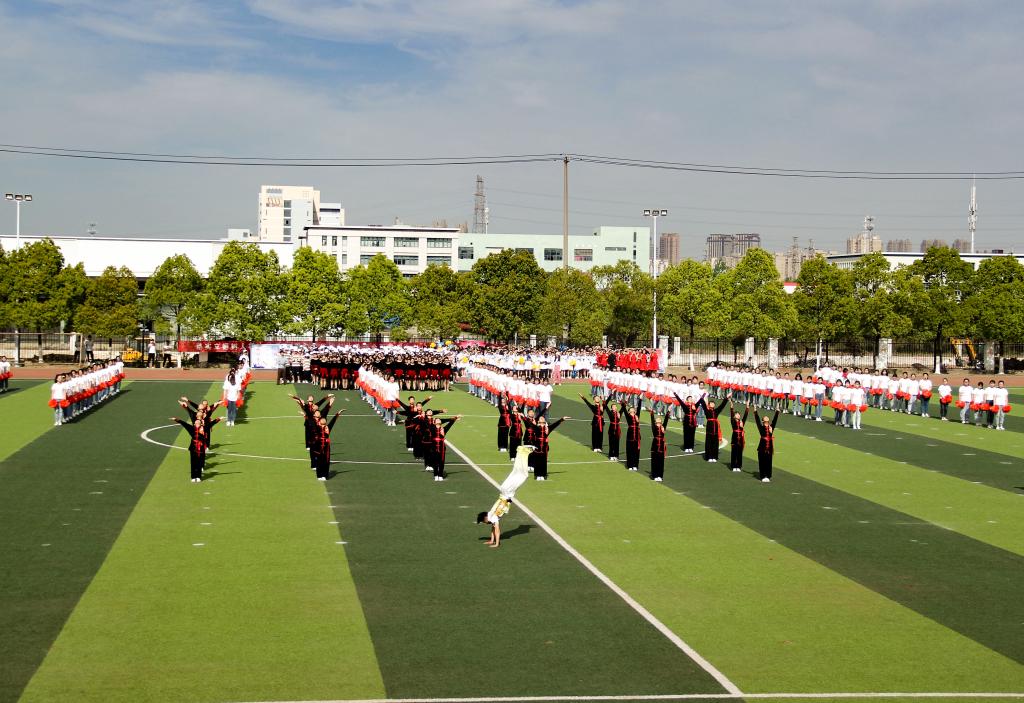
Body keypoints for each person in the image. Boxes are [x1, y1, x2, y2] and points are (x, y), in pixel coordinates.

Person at [172, 416, 217, 483]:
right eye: (196, 423)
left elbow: (211, 424)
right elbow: (185, 424)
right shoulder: (192, 429)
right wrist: (176, 420)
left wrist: (218, 419)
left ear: (201, 424)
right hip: (193, 447)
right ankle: (193, 477)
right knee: (193, 463)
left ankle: (198, 477)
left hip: (201, 447)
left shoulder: (204, 428)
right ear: (194, 424)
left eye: (198, 423)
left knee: (199, 463)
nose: (197, 424)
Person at [530, 415, 569, 481]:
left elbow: (555, 425)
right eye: (540, 419)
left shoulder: (547, 428)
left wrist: (562, 419)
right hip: (537, 447)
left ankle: (543, 475)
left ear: (545, 421)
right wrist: (522, 416)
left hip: (544, 447)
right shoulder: (536, 427)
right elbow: (528, 422)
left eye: (543, 419)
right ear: (538, 422)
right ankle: (537, 475)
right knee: (537, 461)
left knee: (543, 462)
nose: (542, 419)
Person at [313, 410, 344, 481]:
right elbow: (313, 420)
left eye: (324, 420)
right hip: (318, 446)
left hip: (326, 447)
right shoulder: (317, 427)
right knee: (319, 461)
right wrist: (316, 415)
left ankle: (324, 475)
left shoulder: (328, 428)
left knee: (326, 461)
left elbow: (333, 422)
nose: (324, 420)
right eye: (322, 419)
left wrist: (337, 414)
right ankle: (319, 475)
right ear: (319, 421)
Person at [429, 415, 461, 481]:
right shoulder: (432, 428)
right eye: (437, 420)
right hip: (433, 447)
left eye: (439, 420)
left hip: (442, 447)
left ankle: (440, 475)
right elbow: (428, 424)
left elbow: (450, 424)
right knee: (435, 462)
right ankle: (436, 475)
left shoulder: (444, 429)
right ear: (434, 422)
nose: (438, 420)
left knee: (441, 462)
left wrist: (455, 418)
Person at [698, 395, 729, 463]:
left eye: (713, 403)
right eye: (711, 403)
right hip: (709, 428)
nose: (712, 404)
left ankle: (714, 457)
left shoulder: (716, 411)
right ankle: (709, 457)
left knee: (715, 444)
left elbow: (722, 405)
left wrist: (726, 397)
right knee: (709, 443)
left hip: (715, 428)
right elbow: (703, 404)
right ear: (709, 405)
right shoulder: (707, 410)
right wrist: (702, 397)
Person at [753, 408, 780, 483]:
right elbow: (757, 420)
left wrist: (777, 411)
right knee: (762, 462)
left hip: (769, 448)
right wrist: (755, 411)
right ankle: (763, 476)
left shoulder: (771, 427)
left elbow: (775, 420)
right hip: (762, 447)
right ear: (763, 421)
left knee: (769, 462)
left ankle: (768, 476)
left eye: (767, 417)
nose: (766, 417)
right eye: (764, 417)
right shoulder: (761, 428)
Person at [649, 410, 670, 482]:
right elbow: (652, 421)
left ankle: (660, 476)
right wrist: (652, 414)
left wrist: (668, 412)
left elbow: (666, 421)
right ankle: (654, 475)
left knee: (661, 462)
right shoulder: (654, 427)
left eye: (659, 420)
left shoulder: (663, 427)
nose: (658, 420)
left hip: (661, 446)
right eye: (657, 420)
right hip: (655, 446)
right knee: (654, 461)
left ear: (661, 422)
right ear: (655, 422)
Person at [728, 403, 749, 473]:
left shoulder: (742, 422)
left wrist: (747, 408)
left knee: (740, 453)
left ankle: (739, 466)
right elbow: (731, 415)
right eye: (737, 414)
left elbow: (745, 416)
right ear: (734, 416)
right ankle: (734, 466)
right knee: (734, 453)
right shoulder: (733, 421)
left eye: (739, 414)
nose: (738, 415)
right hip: (734, 439)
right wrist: (731, 408)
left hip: (741, 440)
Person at [623, 402, 642, 472]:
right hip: (630, 436)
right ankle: (630, 465)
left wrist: (640, 399)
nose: (632, 410)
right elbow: (624, 410)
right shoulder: (628, 417)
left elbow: (639, 408)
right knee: (630, 451)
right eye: (630, 409)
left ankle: (635, 465)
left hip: (637, 436)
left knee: (636, 452)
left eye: (633, 409)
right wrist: (623, 404)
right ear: (629, 412)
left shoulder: (637, 416)